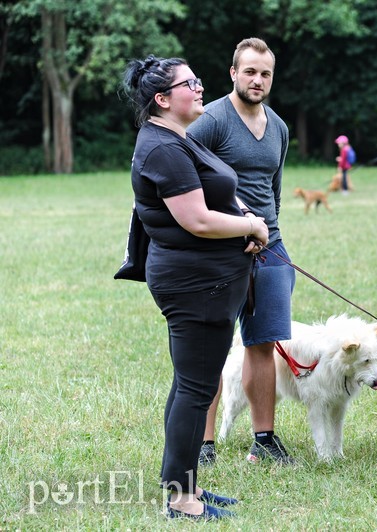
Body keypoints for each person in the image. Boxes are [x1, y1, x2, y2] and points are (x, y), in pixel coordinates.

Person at [121, 54, 269, 520]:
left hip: (206, 280)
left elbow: (216, 194)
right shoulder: (162, 148)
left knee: (191, 384)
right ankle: (183, 500)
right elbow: (198, 220)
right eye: (190, 83)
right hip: (195, 286)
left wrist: (244, 221)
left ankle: (184, 485)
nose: (200, 88)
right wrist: (253, 228)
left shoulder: (176, 138)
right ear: (163, 100)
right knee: (195, 389)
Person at [187, 37, 296, 466]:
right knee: (211, 344)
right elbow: (183, 179)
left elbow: (275, 190)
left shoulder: (279, 127)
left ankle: (263, 439)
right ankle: (204, 442)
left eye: (265, 73)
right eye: (249, 71)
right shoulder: (211, 120)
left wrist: (268, 231)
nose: (257, 80)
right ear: (233, 73)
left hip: (270, 249)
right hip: (217, 250)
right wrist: (234, 225)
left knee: (262, 344)